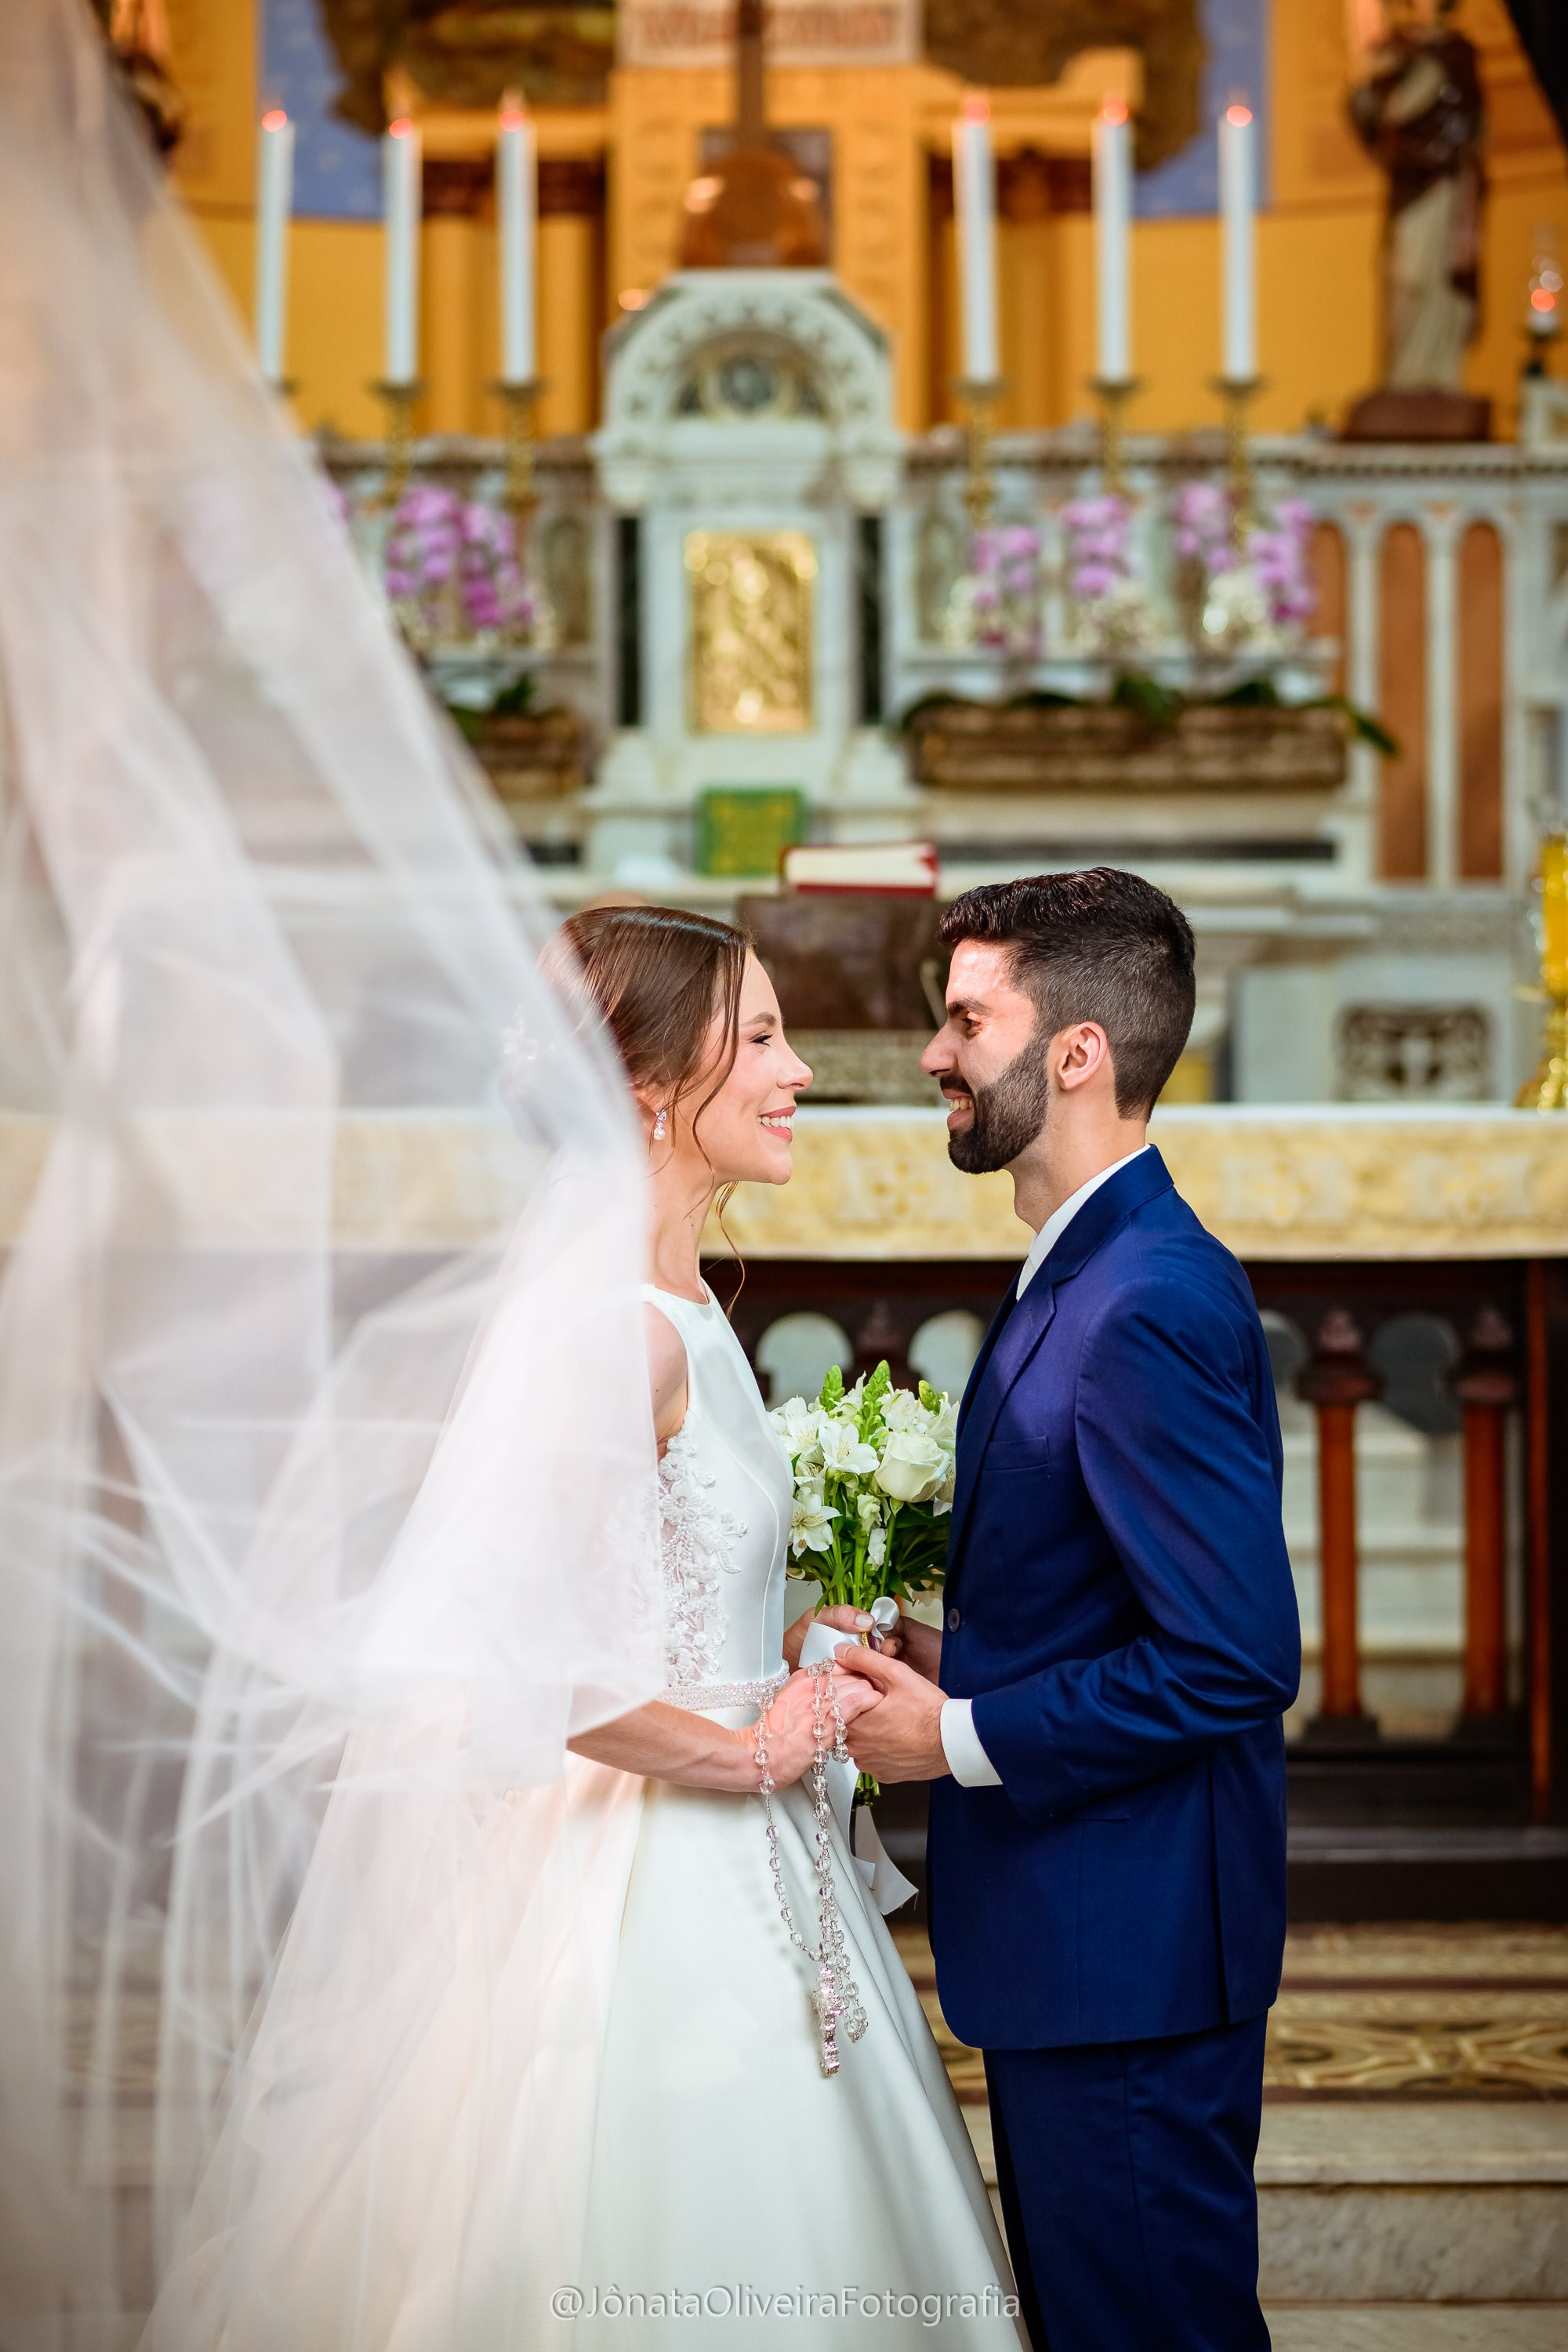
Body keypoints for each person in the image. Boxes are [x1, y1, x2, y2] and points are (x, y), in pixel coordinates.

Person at [840, 869, 1301, 2352]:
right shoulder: (1084, 1267)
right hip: (1087, 1943)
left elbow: (1232, 1659)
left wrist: (957, 1735)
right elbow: (1110, 1600)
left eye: (968, 1019)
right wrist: (947, 1657)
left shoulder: (1143, 1296)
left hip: (1134, 1956)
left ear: (1077, 1053)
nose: (934, 1054)